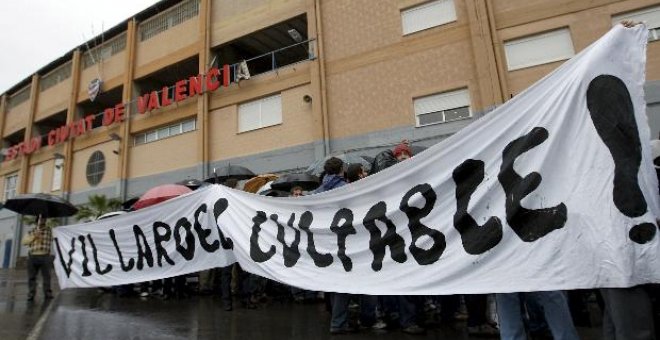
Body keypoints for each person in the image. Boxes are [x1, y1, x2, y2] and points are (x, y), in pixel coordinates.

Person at [22, 216, 54, 301]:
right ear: (37, 221)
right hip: (33, 256)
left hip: (45, 256)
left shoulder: (49, 231)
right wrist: (34, 237)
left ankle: (48, 293)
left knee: (47, 276)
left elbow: (56, 238)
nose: (43, 220)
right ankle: (31, 293)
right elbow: (24, 242)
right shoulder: (31, 231)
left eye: (44, 219)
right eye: (41, 219)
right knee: (31, 277)